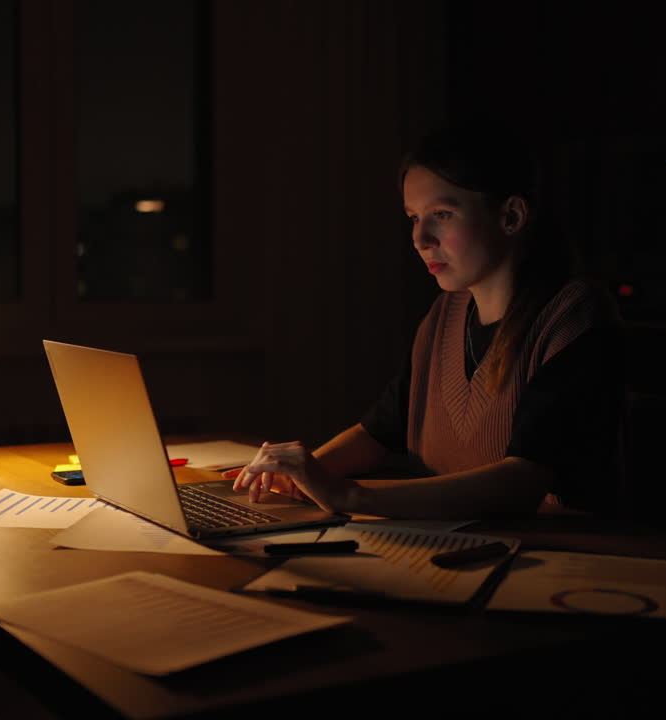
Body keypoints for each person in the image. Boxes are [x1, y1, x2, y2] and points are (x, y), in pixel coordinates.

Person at [229, 127, 626, 520]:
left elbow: (522, 481)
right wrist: (298, 473)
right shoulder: (444, 316)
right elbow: (376, 433)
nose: (420, 238)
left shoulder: (573, 315)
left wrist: (347, 496)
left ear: (510, 216)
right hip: (457, 541)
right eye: (414, 217)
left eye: (442, 214)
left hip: (561, 553)